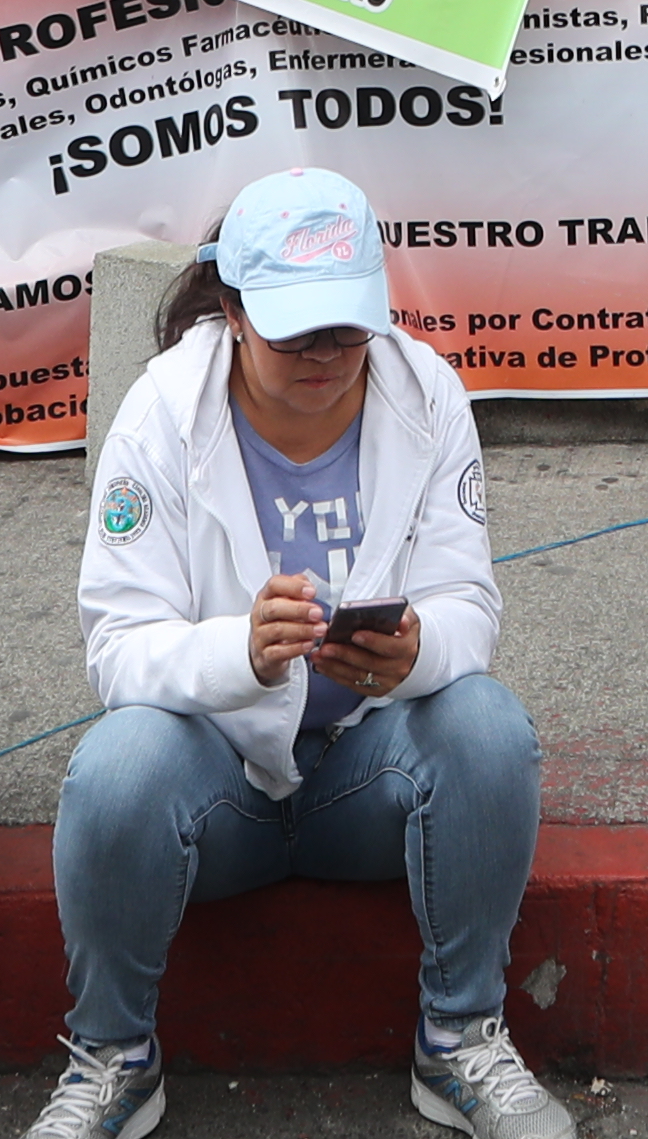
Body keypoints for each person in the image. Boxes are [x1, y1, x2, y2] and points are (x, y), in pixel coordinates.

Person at [30, 167, 557, 1139]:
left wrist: (417, 653)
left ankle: (460, 1038)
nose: (324, 355)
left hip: (367, 776)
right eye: (293, 330)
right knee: (117, 765)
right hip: (217, 785)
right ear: (231, 309)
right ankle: (113, 1058)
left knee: (488, 724)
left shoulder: (424, 390)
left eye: (346, 328)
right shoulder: (161, 412)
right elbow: (117, 648)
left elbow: (468, 602)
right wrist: (243, 654)